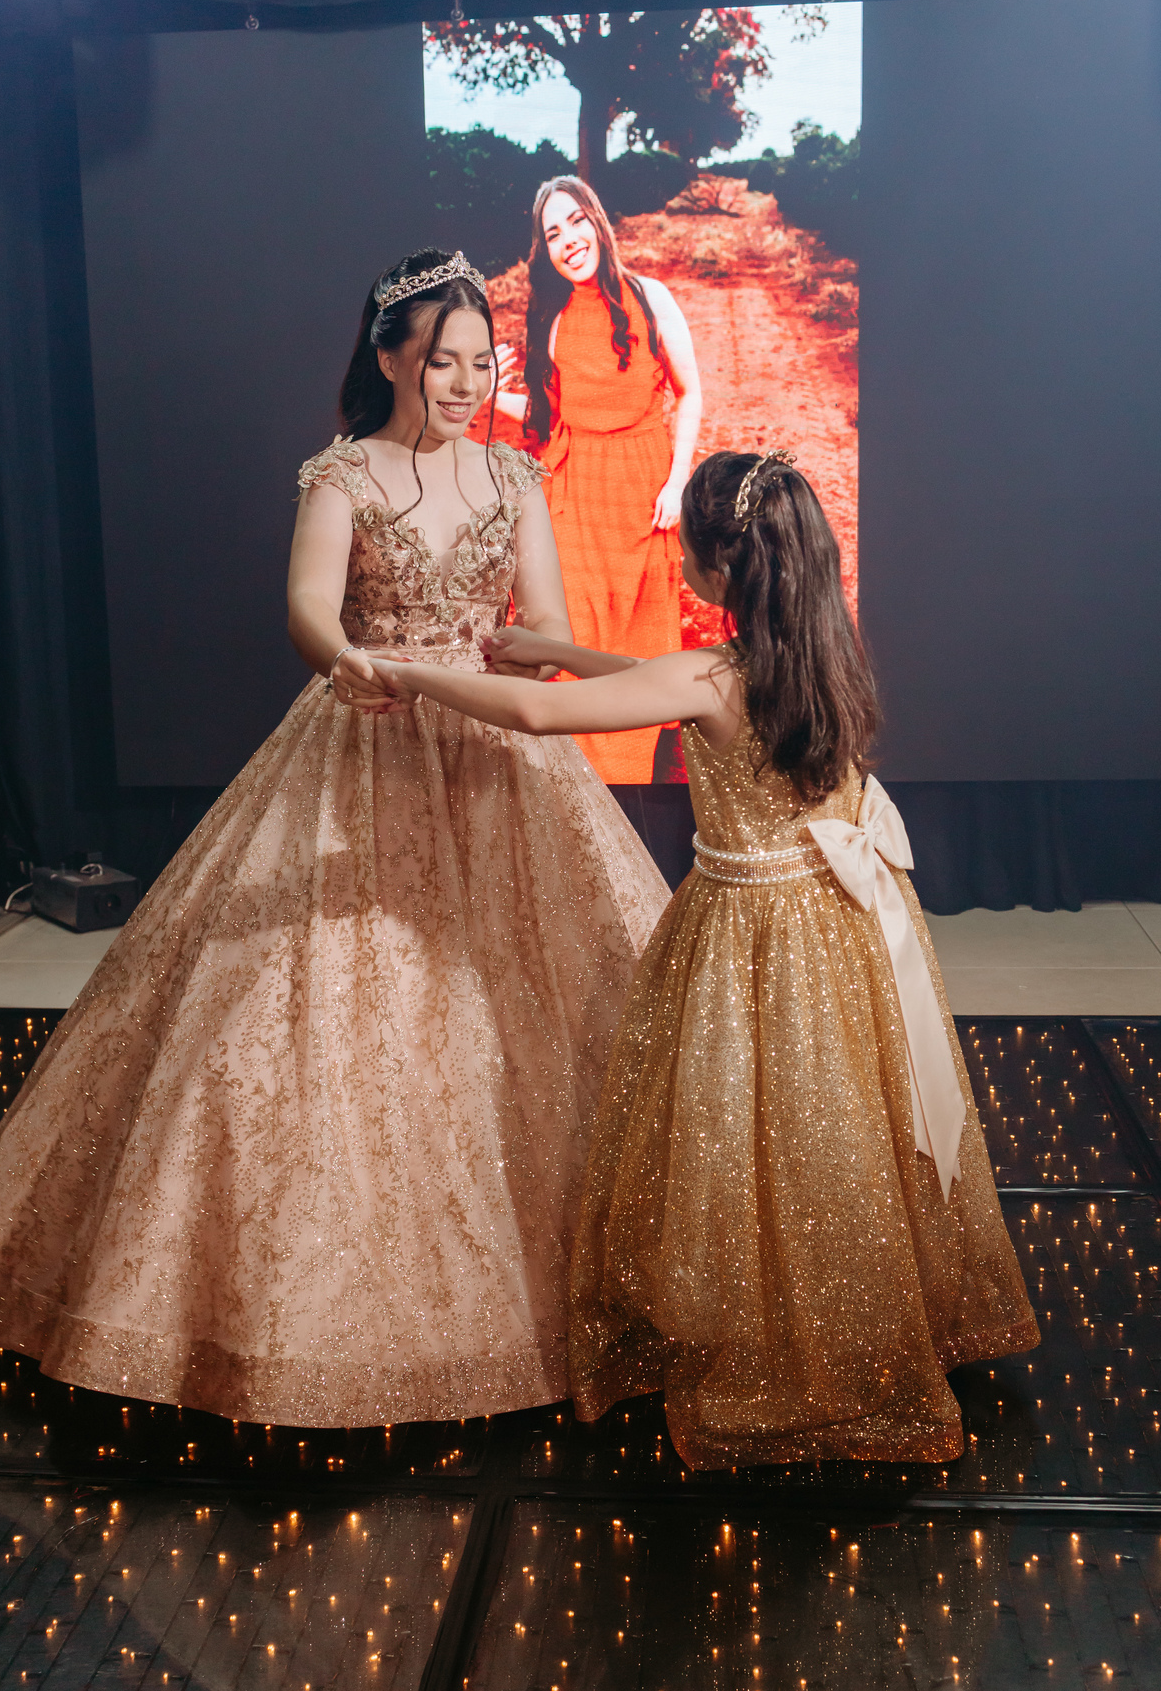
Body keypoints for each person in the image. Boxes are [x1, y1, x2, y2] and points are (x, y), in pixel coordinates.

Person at [0, 248, 671, 1429]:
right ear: (391, 358)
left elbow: (540, 623)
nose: (466, 383)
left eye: (482, 362)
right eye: (441, 361)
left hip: (494, 742)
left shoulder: (514, 472)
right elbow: (306, 606)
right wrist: (348, 658)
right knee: (288, 1016)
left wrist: (561, 660)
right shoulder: (343, 471)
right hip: (367, 731)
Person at [368, 448, 1040, 1469]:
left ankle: (781, 1336)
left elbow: (545, 715)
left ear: (720, 569)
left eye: (687, 547)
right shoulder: (822, 653)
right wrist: (555, 647)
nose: (678, 559)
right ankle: (875, 1310)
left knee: (752, 1135)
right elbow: (657, 686)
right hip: (843, 925)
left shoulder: (712, 675)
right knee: (842, 1126)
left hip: (751, 935)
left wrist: (413, 673)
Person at [493, 176, 702, 783]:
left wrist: (677, 483)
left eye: (576, 221)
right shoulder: (553, 318)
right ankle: (585, 791)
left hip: (643, 496)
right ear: (545, 250)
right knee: (576, 642)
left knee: (636, 648)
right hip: (575, 498)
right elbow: (547, 420)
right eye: (553, 233)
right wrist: (487, 394)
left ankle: (630, 786)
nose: (569, 240)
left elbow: (689, 394)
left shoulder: (651, 297)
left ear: (598, 223)